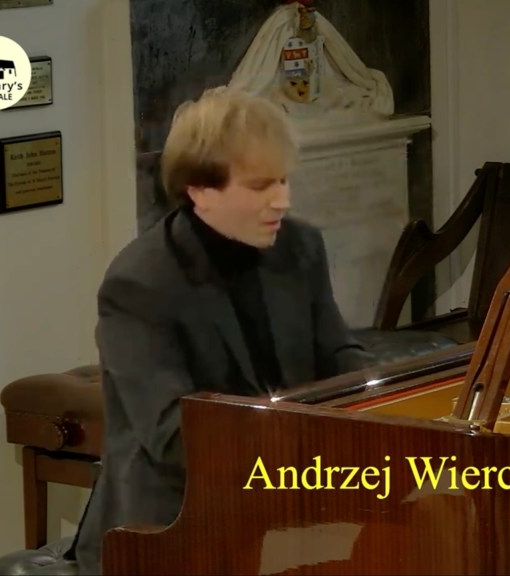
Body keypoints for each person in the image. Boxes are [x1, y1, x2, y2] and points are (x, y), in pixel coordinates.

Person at [69, 86, 372, 575]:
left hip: (286, 498)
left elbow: (339, 357)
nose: (282, 200)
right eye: (260, 186)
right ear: (200, 190)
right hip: (170, 524)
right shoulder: (140, 283)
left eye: (283, 181)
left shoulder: (300, 248)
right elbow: (173, 438)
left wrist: (384, 410)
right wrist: (304, 456)